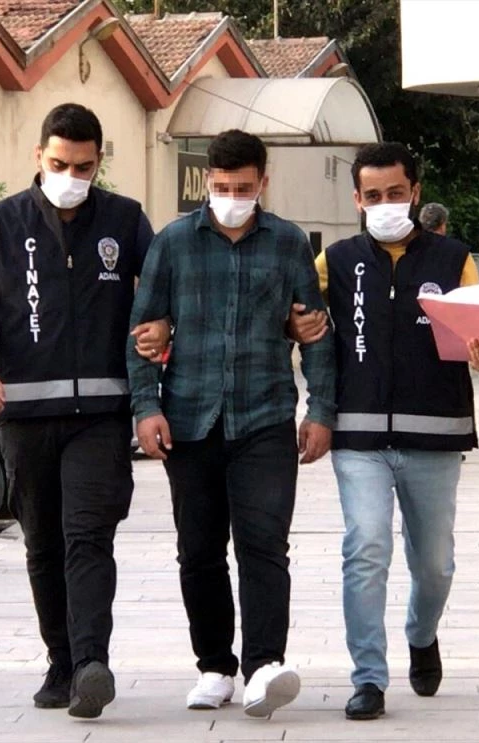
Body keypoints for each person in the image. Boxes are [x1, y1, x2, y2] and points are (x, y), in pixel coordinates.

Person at [0, 103, 167, 719]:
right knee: (43, 544)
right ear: (38, 157)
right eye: (59, 164)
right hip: (25, 415)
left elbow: (158, 297)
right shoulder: (1, 222)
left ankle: (92, 663)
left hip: (101, 414)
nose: (70, 176)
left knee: (89, 536)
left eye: (83, 166)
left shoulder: (124, 220)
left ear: (99, 162)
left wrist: (160, 328)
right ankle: (62, 662)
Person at [289, 142, 479, 721]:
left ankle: (421, 633)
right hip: (357, 436)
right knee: (366, 547)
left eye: (396, 193)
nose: (385, 203)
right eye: (373, 195)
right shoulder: (335, 261)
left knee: (434, 563)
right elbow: (300, 319)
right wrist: (295, 324)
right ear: (357, 199)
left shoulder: (453, 259)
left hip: (435, 433)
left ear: (415, 192)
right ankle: (368, 678)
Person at [126, 129, 336, 718]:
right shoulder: (173, 243)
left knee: (264, 545)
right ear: (208, 184)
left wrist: (321, 410)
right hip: (190, 418)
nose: (233, 198)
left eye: (244, 188)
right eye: (222, 187)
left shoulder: (289, 243)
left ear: (263, 182)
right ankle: (214, 666)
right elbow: (142, 332)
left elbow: (315, 330)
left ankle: (265, 665)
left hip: (265, 416)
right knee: (198, 551)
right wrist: (145, 407)